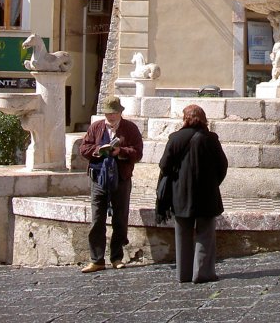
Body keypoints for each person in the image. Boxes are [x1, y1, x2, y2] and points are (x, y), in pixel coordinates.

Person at [157, 104, 228, 283]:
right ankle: (203, 273)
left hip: (181, 193)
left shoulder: (175, 138)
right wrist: (214, 182)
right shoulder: (211, 139)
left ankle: (184, 273)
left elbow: (164, 165)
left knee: (182, 233)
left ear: (185, 118)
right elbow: (222, 165)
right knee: (205, 233)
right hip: (206, 193)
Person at [78, 95, 143, 272]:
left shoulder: (130, 128)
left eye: (113, 113)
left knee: (120, 218)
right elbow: (84, 148)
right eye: (108, 113)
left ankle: (117, 257)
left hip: (121, 178)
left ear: (120, 113)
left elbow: (137, 152)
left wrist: (119, 151)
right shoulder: (96, 127)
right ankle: (97, 259)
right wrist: (99, 151)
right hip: (99, 177)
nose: (110, 117)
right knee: (97, 217)